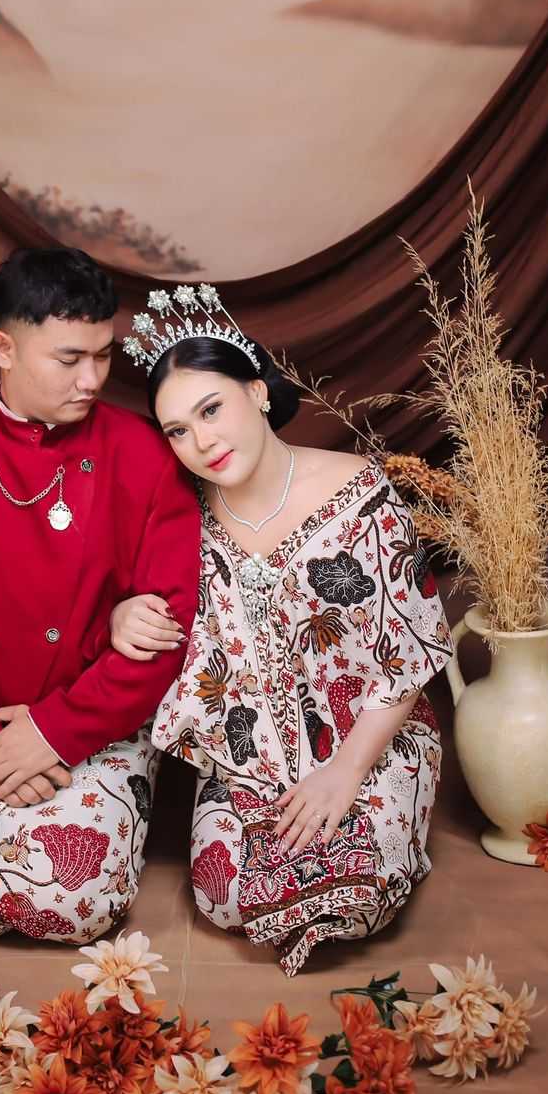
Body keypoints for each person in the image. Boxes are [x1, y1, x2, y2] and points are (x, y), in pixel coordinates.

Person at [114, 284, 452, 976]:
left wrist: (344, 775)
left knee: (354, 890)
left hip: (368, 738)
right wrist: (124, 611)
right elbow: (129, 592)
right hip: (244, 757)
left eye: (211, 409)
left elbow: (411, 651)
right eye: (177, 430)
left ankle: (376, 836)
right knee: (222, 895)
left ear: (258, 391)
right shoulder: (179, 514)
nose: (202, 442)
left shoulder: (360, 493)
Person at [0, 247, 200, 942]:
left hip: (96, 716)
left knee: (71, 905)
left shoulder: (146, 452)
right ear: (4, 349)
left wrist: (52, 732)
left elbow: (167, 626)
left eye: (103, 356)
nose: (92, 380)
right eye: (69, 358)